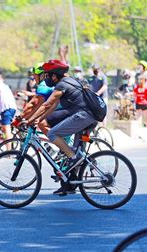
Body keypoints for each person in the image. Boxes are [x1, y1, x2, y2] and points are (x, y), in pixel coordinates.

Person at [28, 59, 98, 196]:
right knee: (71, 153)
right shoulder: (68, 82)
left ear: (54, 75)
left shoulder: (62, 85)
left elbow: (46, 105)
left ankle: (73, 157)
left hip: (84, 117)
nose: (46, 78)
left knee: (53, 134)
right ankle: (69, 185)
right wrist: (38, 119)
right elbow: (53, 106)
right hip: (87, 116)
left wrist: (29, 120)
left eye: (48, 75)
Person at [0, 75, 17, 150]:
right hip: (12, 107)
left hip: (6, 108)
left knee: (6, 129)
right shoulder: (4, 85)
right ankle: (10, 148)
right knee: (7, 128)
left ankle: (9, 151)